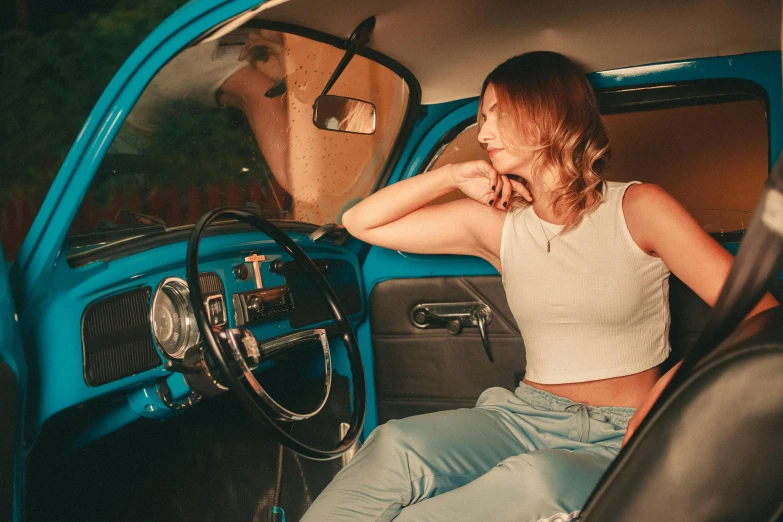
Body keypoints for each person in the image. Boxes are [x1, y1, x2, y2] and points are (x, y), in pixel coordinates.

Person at [301, 51, 779, 522]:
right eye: (480, 118)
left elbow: (761, 315)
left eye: (496, 115)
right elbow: (361, 222)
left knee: (532, 482)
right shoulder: (498, 226)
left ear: (546, 111)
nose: (483, 133)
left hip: (624, 428)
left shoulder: (639, 206)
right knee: (394, 445)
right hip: (523, 416)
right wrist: (449, 175)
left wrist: (667, 396)